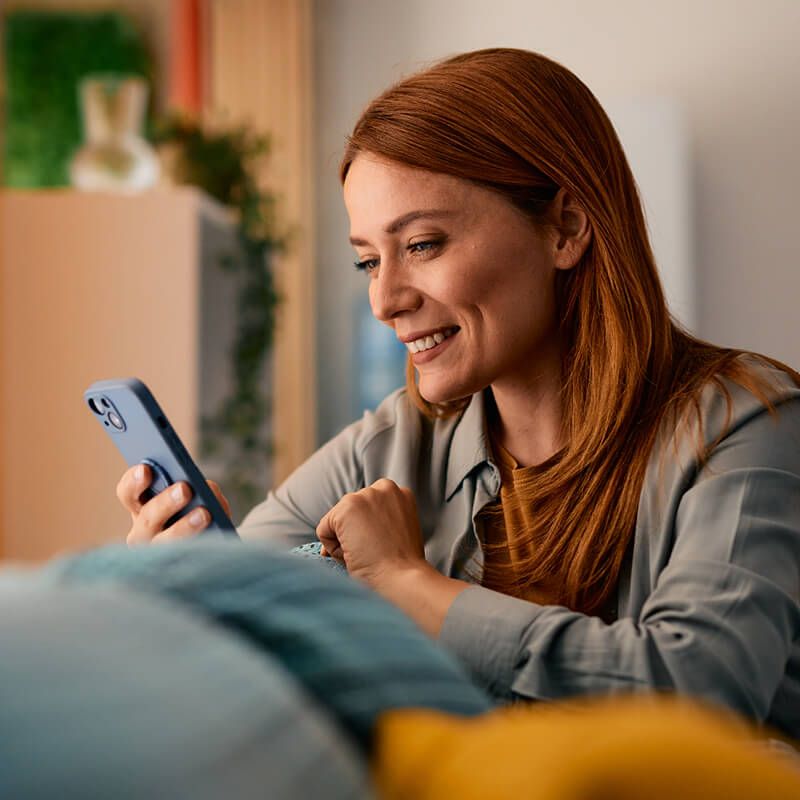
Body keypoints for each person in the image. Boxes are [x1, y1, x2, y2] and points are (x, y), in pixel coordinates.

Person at [116, 48, 800, 741]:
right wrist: (172, 588)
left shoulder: (747, 424)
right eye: (368, 261)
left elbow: (699, 691)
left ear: (566, 227)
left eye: (421, 244)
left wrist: (409, 585)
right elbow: (237, 635)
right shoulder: (390, 445)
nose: (384, 299)